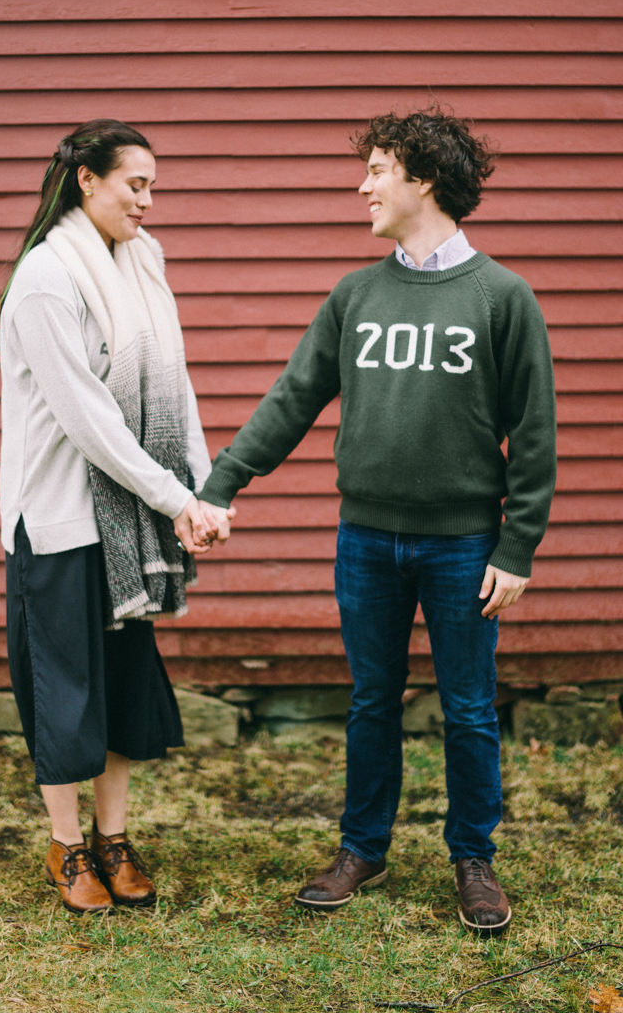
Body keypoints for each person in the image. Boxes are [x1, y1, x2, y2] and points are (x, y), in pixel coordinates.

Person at [196, 108, 557, 934]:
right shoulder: (356, 294)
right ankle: (364, 847)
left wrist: (518, 545)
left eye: (378, 171)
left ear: (422, 180)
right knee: (371, 701)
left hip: (466, 545)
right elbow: (293, 399)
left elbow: (534, 432)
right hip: (365, 538)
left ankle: (474, 858)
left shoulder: (503, 297)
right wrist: (223, 484)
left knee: (467, 707)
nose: (363, 186)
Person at [0, 119, 223, 914]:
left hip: (126, 523)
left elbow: (174, 383)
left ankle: (113, 838)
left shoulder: (143, 260)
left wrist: (198, 488)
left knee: (122, 682)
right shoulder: (46, 278)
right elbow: (90, 420)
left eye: (153, 185)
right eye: (137, 184)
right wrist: (173, 496)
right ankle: (65, 847)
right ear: (87, 179)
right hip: (58, 520)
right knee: (66, 688)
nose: (148, 201)